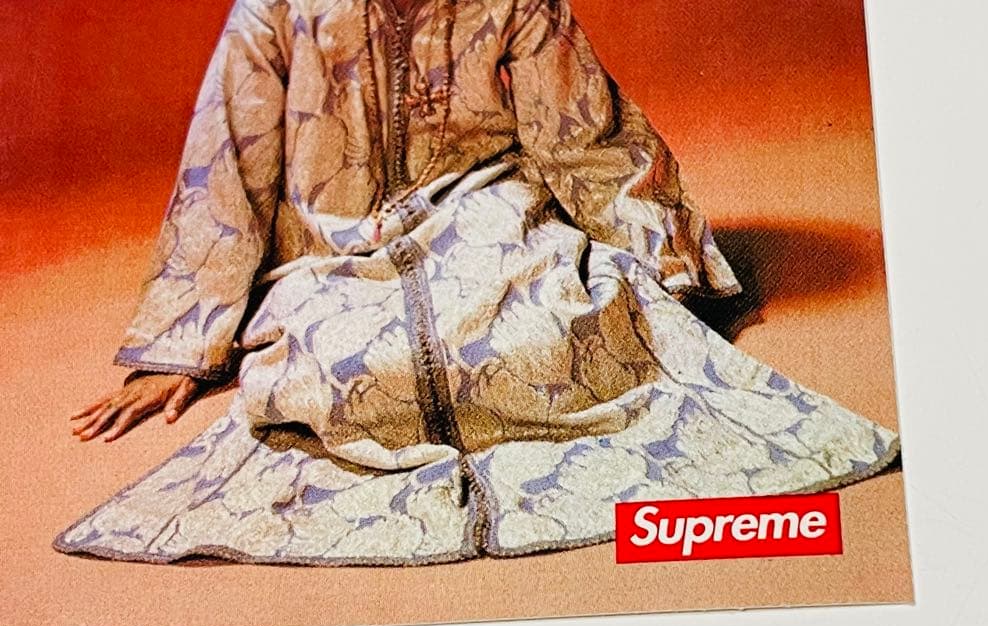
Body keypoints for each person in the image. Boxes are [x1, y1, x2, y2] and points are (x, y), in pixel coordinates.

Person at [58, 0, 899, 565]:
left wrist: (668, 264)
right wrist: (183, 344)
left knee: (556, 324)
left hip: (485, 208)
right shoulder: (273, 10)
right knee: (343, 375)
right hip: (332, 244)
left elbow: (586, 137)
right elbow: (225, 169)